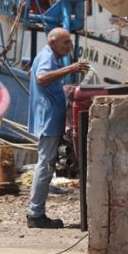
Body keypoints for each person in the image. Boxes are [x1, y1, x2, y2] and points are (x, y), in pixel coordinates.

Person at [26, 27, 89, 229]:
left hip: (50, 117)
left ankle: (36, 211)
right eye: (65, 43)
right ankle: (35, 213)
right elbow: (41, 78)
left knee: (47, 163)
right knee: (44, 165)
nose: (69, 46)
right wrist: (71, 69)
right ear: (53, 43)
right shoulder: (47, 57)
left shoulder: (46, 57)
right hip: (48, 119)